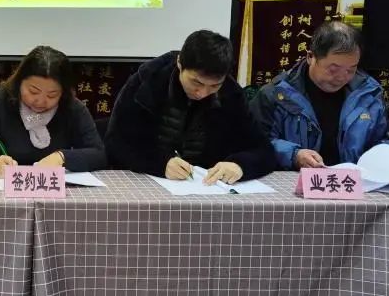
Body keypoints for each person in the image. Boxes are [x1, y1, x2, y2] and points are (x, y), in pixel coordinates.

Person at [105, 29, 275, 184]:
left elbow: (263, 150)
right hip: (148, 183)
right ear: (180, 63)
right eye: (196, 82)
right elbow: (116, 143)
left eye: (214, 86)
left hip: (206, 186)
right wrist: (160, 163)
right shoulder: (147, 83)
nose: (202, 93)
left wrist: (240, 165)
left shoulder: (231, 94)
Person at [251, 20, 389, 169]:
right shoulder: (276, 95)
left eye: (351, 69)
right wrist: (294, 155)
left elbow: (382, 140)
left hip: (352, 181)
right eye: (333, 69)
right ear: (311, 57)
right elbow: (253, 143)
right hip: (292, 180)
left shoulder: (369, 95)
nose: (342, 77)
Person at [0, 46, 106, 177]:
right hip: (4, 187)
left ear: (63, 92)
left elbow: (98, 154)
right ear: (19, 82)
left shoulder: (72, 108)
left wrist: (62, 157)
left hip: (54, 189)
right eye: (33, 91)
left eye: (52, 95)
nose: (40, 101)